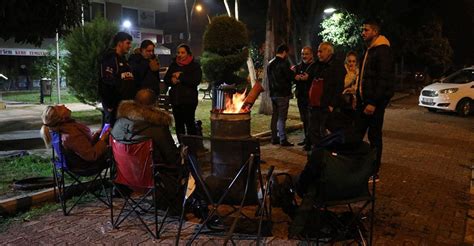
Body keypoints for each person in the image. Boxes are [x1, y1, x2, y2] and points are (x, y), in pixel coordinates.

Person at [355, 18, 394, 178]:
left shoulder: (382, 50)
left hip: (373, 104)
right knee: (356, 133)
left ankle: (374, 170)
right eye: (363, 30)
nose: (363, 33)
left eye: (366, 30)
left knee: (374, 137)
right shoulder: (370, 50)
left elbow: (383, 79)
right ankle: (357, 165)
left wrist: (373, 102)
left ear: (375, 32)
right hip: (364, 102)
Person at [111, 89, 179, 168]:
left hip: (123, 175)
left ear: (134, 103)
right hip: (154, 175)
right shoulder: (158, 128)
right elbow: (172, 157)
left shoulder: (118, 124)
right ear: (155, 104)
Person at [40, 105, 109, 172]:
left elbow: (83, 147)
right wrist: (103, 140)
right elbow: (91, 155)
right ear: (61, 118)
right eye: (59, 108)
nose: (63, 105)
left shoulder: (61, 129)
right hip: (87, 166)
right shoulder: (71, 135)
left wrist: (96, 135)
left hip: (79, 163)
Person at [307, 42, 345, 147]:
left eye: (321, 51)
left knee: (324, 130)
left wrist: (332, 104)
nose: (318, 54)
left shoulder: (337, 66)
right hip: (315, 105)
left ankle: (326, 155)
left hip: (327, 105)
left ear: (329, 51)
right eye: (318, 51)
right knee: (313, 130)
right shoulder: (318, 65)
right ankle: (318, 152)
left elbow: (338, 87)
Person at [164, 44, 202, 142]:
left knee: (190, 123)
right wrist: (172, 80)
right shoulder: (174, 65)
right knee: (179, 124)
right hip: (176, 100)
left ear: (188, 53)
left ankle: (192, 146)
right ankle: (182, 145)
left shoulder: (194, 66)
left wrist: (180, 77)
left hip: (189, 100)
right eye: (178, 52)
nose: (180, 55)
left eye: (182, 52)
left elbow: (195, 81)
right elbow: (166, 79)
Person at [99, 31, 136, 127]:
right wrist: (110, 104)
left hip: (126, 105)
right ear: (119, 43)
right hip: (115, 106)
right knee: (112, 132)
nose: (130, 46)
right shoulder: (110, 59)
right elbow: (106, 82)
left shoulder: (124, 60)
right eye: (128, 43)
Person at [268, 44, 294, 146]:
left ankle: (274, 138)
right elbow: (289, 76)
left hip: (273, 93)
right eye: (286, 53)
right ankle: (283, 139)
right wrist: (294, 73)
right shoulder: (284, 63)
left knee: (275, 116)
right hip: (282, 94)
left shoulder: (270, 63)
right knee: (282, 117)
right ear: (284, 52)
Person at [292, 46, 316, 151]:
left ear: (311, 54)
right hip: (301, 96)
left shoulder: (315, 66)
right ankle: (307, 138)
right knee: (304, 119)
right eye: (302, 54)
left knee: (310, 119)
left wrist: (308, 78)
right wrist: (295, 77)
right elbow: (293, 76)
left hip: (311, 97)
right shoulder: (298, 67)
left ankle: (311, 141)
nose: (304, 56)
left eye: (306, 54)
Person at [341, 51, 359, 116]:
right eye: (349, 61)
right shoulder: (342, 71)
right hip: (343, 101)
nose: (351, 63)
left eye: (353, 61)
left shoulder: (358, 72)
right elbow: (342, 85)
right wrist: (351, 75)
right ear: (346, 61)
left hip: (355, 101)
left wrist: (354, 90)